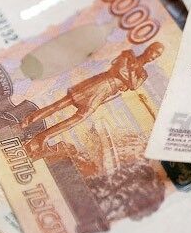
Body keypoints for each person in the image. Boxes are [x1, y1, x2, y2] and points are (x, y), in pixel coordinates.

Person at [20, 42, 164, 155]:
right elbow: (118, 71)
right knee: (61, 104)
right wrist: (130, 74)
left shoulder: (142, 73)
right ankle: (28, 120)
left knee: (80, 117)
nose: (154, 56)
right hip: (98, 83)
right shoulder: (128, 55)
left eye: (157, 55)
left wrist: (131, 70)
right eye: (155, 52)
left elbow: (133, 86)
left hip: (105, 93)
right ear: (149, 49)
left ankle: (43, 137)